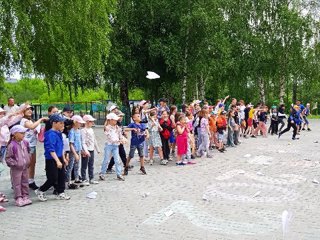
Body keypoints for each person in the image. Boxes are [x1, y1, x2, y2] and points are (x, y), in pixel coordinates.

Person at [35, 114, 70, 201]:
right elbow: (51, 149)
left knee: (62, 176)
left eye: (63, 123)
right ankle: (41, 190)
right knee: (52, 178)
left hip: (59, 157)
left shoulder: (59, 133)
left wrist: (63, 158)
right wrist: (57, 161)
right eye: (61, 123)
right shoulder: (50, 134)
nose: (63, 125)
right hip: (51, 159)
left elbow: (61, 147)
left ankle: (61, 192)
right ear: (54, 123)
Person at [20, 103, 48, 190]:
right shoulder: (24, 121)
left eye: (31, 109)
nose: (30, 110)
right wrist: (41, 119)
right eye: (27, 109)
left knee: (33, 163)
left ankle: (31, 181)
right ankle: (23, 182)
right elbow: (32, 127)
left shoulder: (30, 120)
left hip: (32, 145)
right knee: (27, 165)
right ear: (23, 111)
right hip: (26, 146)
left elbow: (34, 129)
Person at [5, 125, 32, 207]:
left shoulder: (26, 142)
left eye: (24, 133)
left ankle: (25, 196)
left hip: (25, 167)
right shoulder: (12, 145)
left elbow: (28, 151)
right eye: (21, 133)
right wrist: (15, 164)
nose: (23, 135)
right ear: (15, 134)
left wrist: (28, 160)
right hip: (16, 168)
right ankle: (18, 197)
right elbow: (8, 158)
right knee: (17, 183)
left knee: (25, 182)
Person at [100, 113, 126, 181]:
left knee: (117, 160)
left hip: (115, 146)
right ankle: (102, 173)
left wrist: (123, 139)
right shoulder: (107, 128)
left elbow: (120, 135)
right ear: (110, 120)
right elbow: (110, 137)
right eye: (114, 120)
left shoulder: (117, 127)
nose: (116, 121)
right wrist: (119, 140)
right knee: (106, 160)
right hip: (109, 145)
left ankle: (119, 174)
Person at [66, 115, 85, 189]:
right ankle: (69, 181)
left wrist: (81, 150)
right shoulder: (72, 131)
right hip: (73, 151)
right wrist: (75, 154)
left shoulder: (79, 131)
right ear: (75, 122)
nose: (81, 124)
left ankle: (77, 179)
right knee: (70, 166)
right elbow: (71, 144)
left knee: (77, 165)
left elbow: (80, 142)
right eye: (79, 123)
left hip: (78, 150)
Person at [81, 115, 101, 184]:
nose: (92, 123)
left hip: (91, 149)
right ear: (86, 122)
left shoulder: (91, 129)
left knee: (91, 164)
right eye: (91, 121)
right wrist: (86, 151)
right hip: (86, 150)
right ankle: (84, 179)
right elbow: (83, 142)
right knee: (84, 165)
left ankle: (91, 178)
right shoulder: (83, 131)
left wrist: (97, 148)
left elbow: (94, 139)